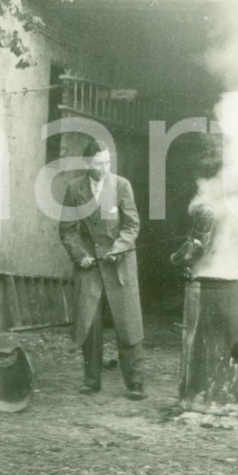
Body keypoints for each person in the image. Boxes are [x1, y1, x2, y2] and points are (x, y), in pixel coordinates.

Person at [58, 139, 145, 400]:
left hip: (119, 264)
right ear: (87, 164)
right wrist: (80, 256)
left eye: (107, 162)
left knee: (127, 323)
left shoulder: (121, 186)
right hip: (90, 266)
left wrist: (118, 248)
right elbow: (67, 229)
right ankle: (91, 380)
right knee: (90, 323)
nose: (104, 168)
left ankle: (135, 383)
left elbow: (131, 225)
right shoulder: (74, 189)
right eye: (99, 164)